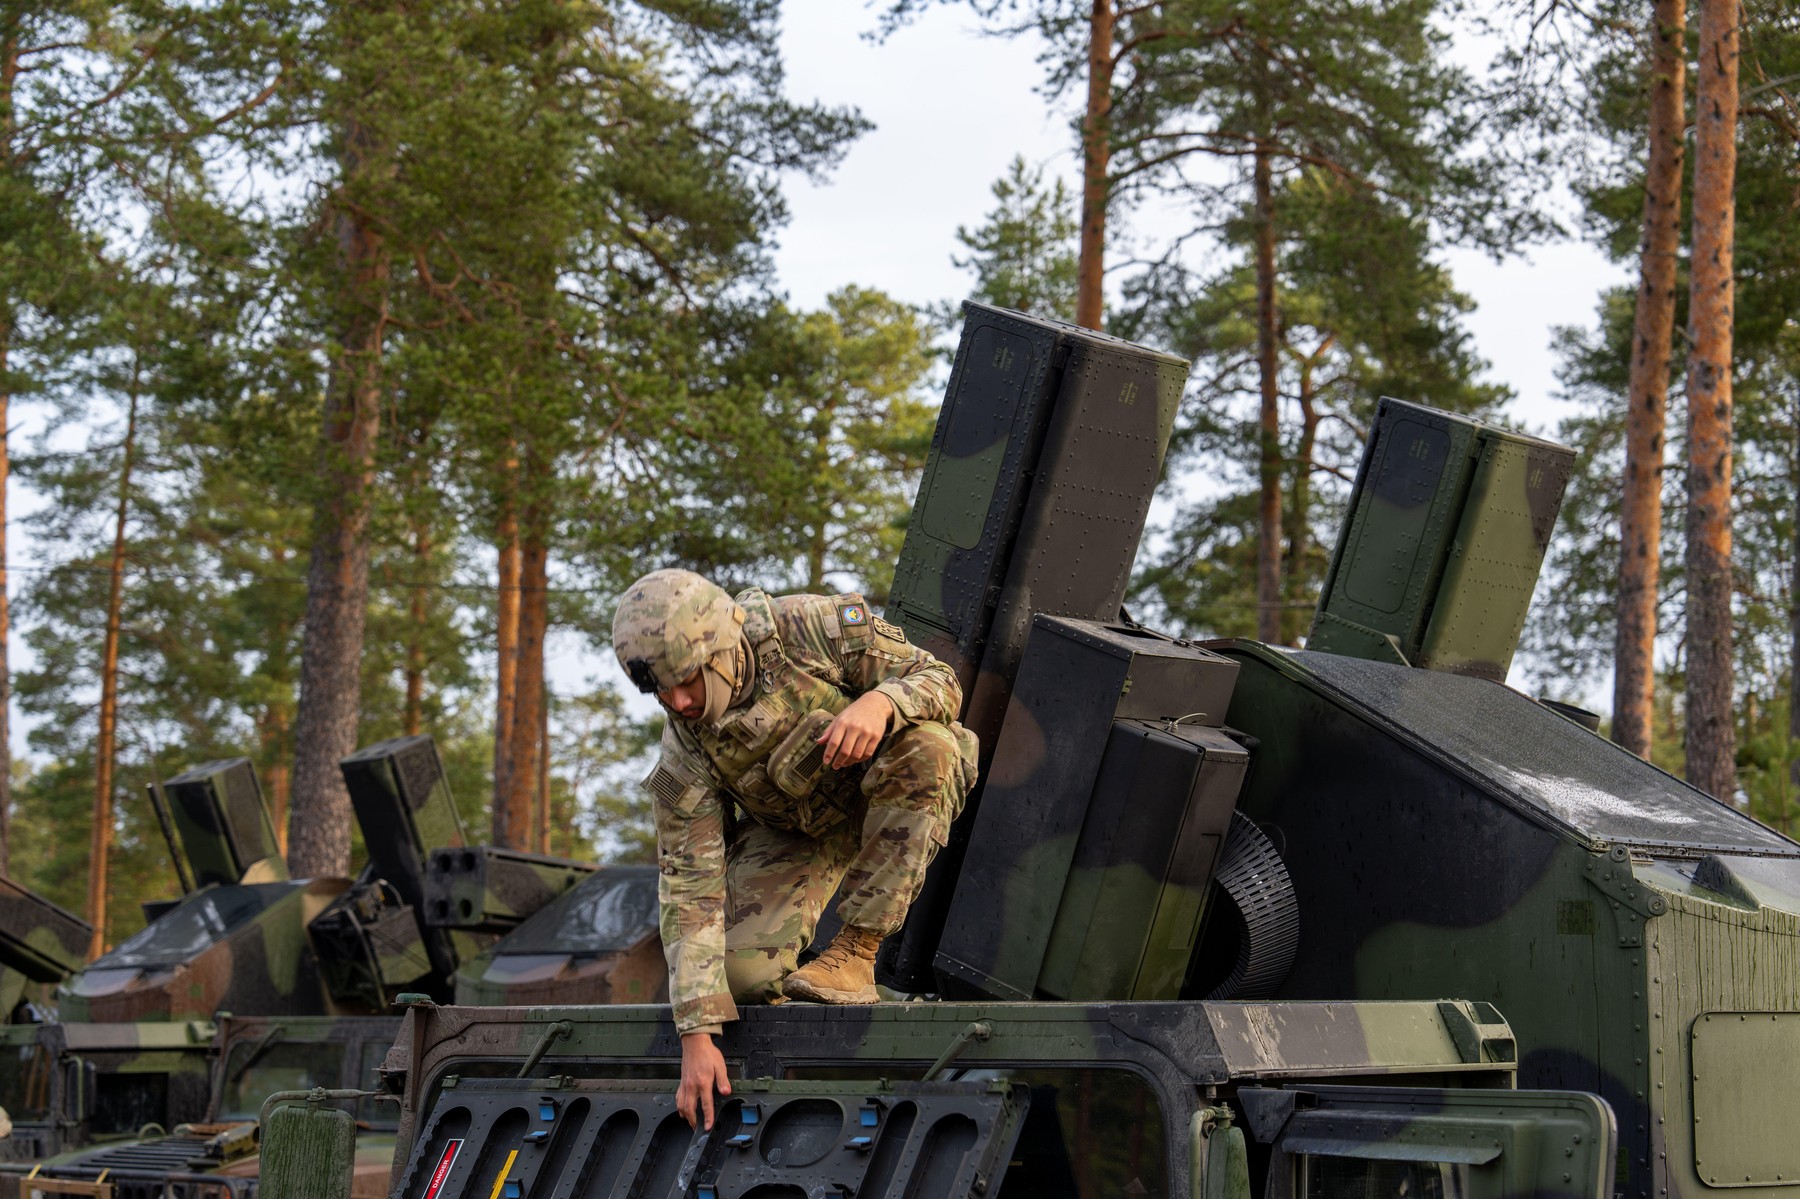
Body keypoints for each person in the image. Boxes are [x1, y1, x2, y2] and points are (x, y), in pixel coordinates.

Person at [611, 568, 978, 1129]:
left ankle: (855, 955)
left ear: (723, 646)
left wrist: (880, 704)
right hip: (795, 832)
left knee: (931, 746)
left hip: (890, 789)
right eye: (659, 688)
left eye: (687, 679)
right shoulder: (684, 752)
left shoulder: (811, 629)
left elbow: (941, 680)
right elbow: (690, 886)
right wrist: (696, 1034)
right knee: (737, 983)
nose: (679, 701)